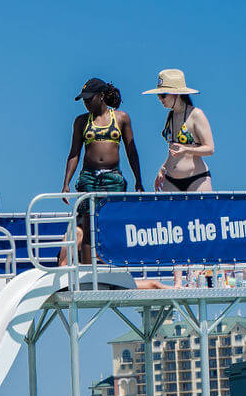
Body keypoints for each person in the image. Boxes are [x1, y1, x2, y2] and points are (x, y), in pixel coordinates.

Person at [60, 78, 143, 264]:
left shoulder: (121, 118)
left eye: (89, 99)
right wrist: (65, 183)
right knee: (89, 225)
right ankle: (91, 271)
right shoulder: (81, 121)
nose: (86, 103)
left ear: (102, 96)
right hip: (89, 177)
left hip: (113, 177)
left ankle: (114, 267)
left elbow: (131, 150)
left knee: (112, 223)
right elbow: (74, 153)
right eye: (84, 100)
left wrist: (139, 180)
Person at [143, 69, 214, 192]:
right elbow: (173, 150)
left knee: (199, 211)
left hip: (196, 179)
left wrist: (187, 149)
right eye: (158, 95)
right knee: (166, 211)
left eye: (163, 95)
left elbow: (210, 149)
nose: (160, 98)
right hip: (171, 179)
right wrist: (163, 167)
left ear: (176, 93)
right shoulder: (170, 115)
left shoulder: (196, 114)